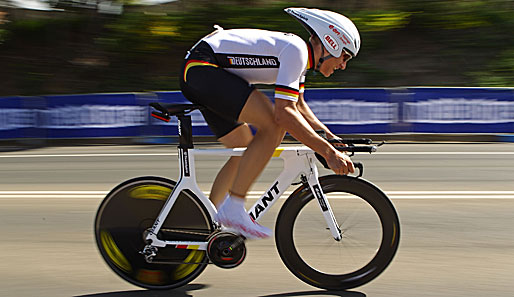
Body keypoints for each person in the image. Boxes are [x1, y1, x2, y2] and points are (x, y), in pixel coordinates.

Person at [179, 7, 360, 239]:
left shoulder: (299, 57)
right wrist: (327, 152)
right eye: (344, 57)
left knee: (243, 146)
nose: (343, 65)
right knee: (275, 125)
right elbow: (284, 115)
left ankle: (204, 225)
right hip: (203, 68)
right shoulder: (297, 52)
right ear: (331, 43)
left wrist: (331, 140)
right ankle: (233, 207)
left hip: (202, 71)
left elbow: (299, 107)